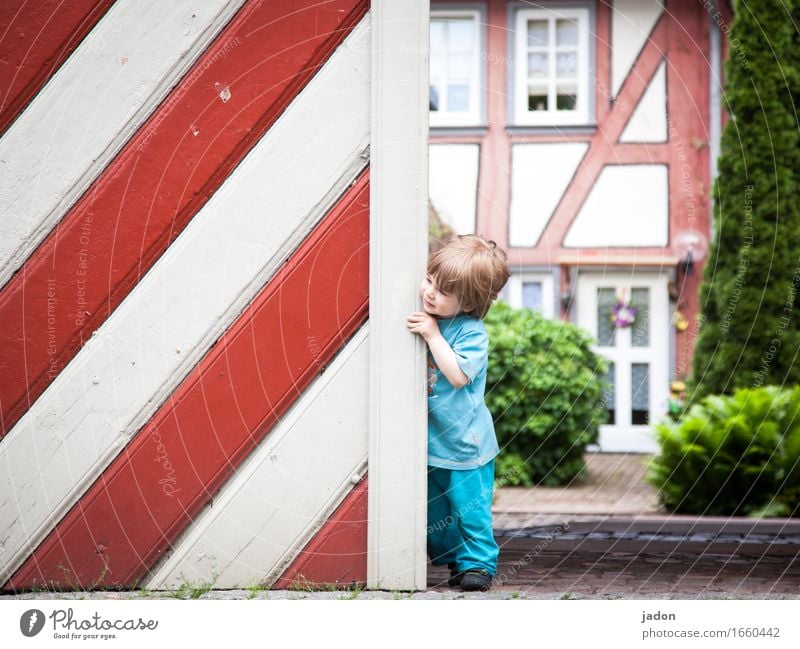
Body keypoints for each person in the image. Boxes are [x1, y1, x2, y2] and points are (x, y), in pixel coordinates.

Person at [405, 234, 510, 592]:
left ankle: (479, 564)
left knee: (470, 509)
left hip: (468, 444)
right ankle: (456, 560)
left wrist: (433, 336)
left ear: (469, 303)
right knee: (437, 512)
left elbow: (458, 375)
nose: (431, 293)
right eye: (430, 281)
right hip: (433, 440)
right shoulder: (428, 313)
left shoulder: (470, 331)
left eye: (444, 292)